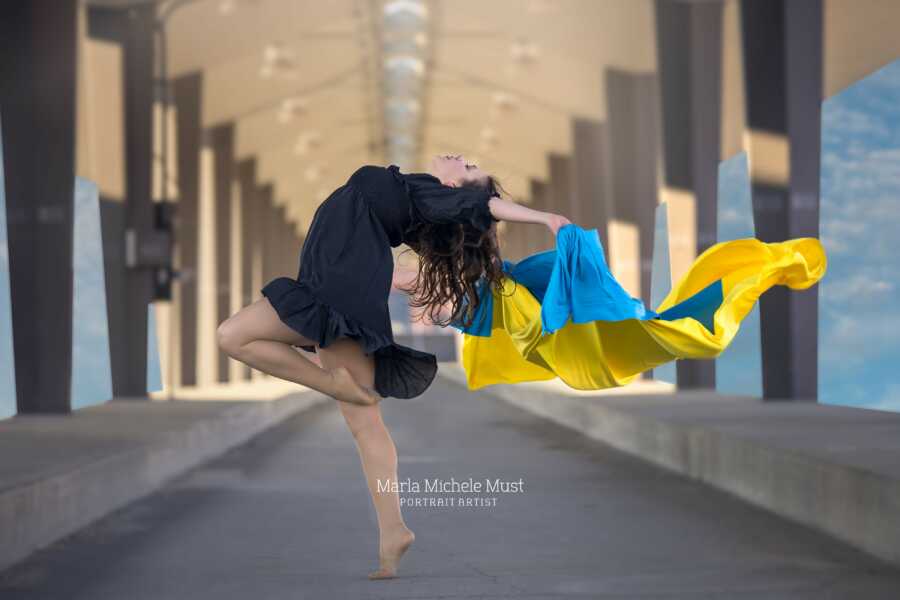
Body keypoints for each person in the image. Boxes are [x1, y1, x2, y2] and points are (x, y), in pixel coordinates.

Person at [216, 155, 571, 579]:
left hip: (336, 293)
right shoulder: (418, 196)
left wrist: (547, 217)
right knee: (363, 421)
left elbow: (484, 207)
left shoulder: (439, 198)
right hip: (322, 285)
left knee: (235, 337)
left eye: (470, 166)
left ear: (461, 189)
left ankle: (337, 388)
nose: (461, 157)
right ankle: (393, 532)